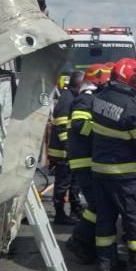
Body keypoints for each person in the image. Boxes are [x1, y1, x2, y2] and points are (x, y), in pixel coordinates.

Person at [91, 58, 136, 271]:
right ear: (131, 78)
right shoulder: (132, 106)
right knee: (134, 217)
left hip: (99, 170)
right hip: (125, 173)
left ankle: (105, 264)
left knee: (105, 218)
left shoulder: (99, 98)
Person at [64, 63, 110, 264]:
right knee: (98, 205)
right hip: (85, 162)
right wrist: (103, 130)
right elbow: (79, 124)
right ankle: (79, 240)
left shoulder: (89, 99)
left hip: (88, 160)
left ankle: (85, 241)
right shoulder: (85, 100)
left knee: (98, 204)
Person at [48, 70, 83, 225]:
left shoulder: (71, 97)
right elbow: (62, 126)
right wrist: (69, 148)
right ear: (79, 84)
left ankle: (75, 208)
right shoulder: (67, 100)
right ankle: (60, 214)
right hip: (63, 153)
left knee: (74, 182)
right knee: (62, 184)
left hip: (69, 152)